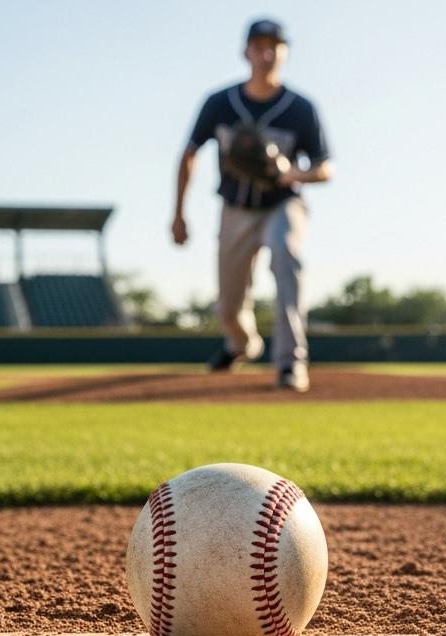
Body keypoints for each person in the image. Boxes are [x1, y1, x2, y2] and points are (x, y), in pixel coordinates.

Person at [172, 18, 334, 392]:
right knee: (229, 304)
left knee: (285, 256)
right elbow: (189, 154)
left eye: (274, 46)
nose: (266, 54)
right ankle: (241, 344)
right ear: (246, 51)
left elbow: (326, 167)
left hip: (282, 204)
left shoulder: (300, 108)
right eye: (259, 46)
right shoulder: (220, 103)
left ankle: (291, 362)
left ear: (285, 52)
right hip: (235, 209)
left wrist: (294, 174)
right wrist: (179, 213)